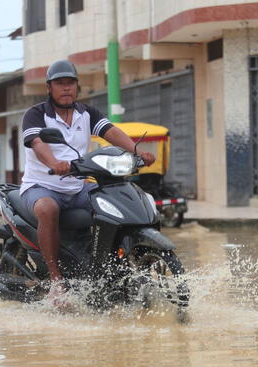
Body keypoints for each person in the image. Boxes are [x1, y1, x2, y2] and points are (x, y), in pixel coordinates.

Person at [20, 60, 156, 303]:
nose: (66, 88)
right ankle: (56, 281)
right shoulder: (36, 114)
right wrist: (53, 163)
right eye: (60, 84)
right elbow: (38, 144)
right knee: (47, 208)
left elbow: (110, 132)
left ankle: (108, 268)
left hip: (77, 185)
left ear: (77, 86)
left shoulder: (86, 113)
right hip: (42, 186)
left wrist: (137, 151)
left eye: (70, 83)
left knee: (116, 199)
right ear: (49, 87)